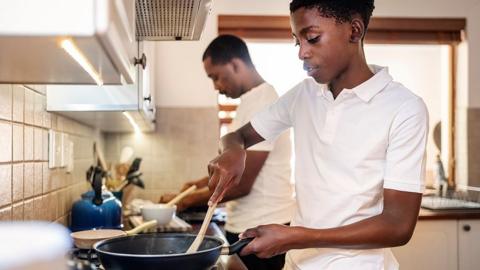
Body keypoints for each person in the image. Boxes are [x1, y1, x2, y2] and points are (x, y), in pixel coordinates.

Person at [206, 1, 429, 269]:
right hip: (297, 264)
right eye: (296, 41)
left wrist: (296, 237)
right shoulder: (304, 94)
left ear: (354, 30)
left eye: (312, 38)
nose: (301, 52)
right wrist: (234, 150)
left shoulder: (404, 107)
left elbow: (398, 226)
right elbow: (238, 136)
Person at [160, 34, 295, 270]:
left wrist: (185, 201)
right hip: (248, 226)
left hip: (264, 230)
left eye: (216, 77)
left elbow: (241, 183)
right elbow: (234, 166)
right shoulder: (251, 101)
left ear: (235, 64)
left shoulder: (263, 102)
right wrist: (197, 184)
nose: (215, 86)